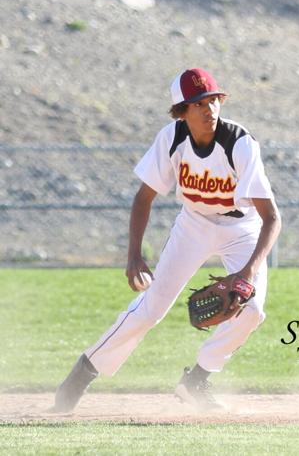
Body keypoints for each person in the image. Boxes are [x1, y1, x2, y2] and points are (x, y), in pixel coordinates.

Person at [49, 68, 281, 413]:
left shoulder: (239, 143)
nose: (209, 109)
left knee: (252, 310)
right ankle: (80, 376)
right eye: (198, 103)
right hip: (194, 225)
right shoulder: (172, 139)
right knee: (149, 310)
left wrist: (248, 271)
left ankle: (197, 380)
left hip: (241, 229)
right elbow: (144, 198)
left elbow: (272, 218)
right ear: (181, 112)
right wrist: (134, 257)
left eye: (213, 100)